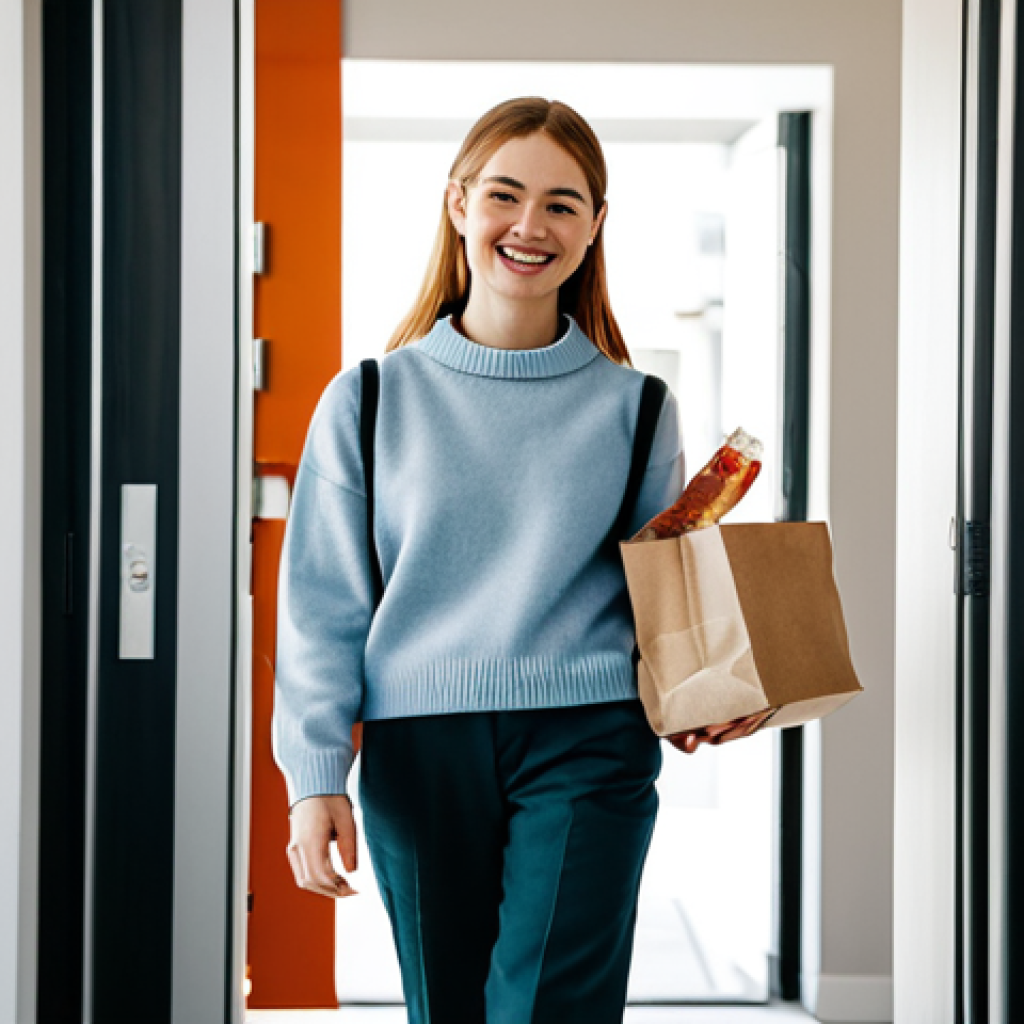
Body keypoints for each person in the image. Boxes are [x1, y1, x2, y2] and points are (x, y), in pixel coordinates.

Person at [271, 96, 769, 1024]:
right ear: (458, 203)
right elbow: (323, 609)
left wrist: (703, 694)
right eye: (505, 194)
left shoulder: (639, 407)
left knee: (549, 1008)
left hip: (590, 734)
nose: (529, 226)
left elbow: (660, 594)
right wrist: (313, 781)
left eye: (562, 204)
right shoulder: (369, 399)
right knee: (450, 1008)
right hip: (421, 747)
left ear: (595, 226)